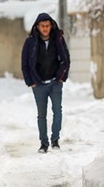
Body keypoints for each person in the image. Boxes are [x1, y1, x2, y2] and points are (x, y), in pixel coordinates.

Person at [21, 13, 70, 153]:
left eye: (47, 25)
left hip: (55, 83)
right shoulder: (30, 41)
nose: (45, 28)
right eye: (42, 26)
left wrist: (61, 77)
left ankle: (55, 140)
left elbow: (66, 59)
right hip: (39, 84)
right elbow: (25, 63)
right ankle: (44, 143)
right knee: (41, 115)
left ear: (51, 25)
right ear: (37, 26)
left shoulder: (58, 39)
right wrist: (30, 81)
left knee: (57, 112)